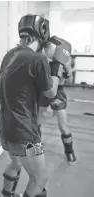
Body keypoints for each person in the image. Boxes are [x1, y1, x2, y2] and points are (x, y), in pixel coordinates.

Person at [0, 15, 63, 197]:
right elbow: (51, 93)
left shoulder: (10, 54)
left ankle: (6, 193)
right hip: (24, 132)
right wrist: (56, 66)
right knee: (40, 179)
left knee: (16, 163)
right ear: (42, 34)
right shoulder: (37, 60)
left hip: (5, 127)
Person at [38, 36, 77, 165]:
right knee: (37, 122)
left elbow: (69, 79)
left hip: (58, 92)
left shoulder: (64, 58)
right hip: (44, 91)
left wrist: (67, 70)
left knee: (63, 125)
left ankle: (69, 152)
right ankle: (37, 150)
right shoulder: (41, 56)